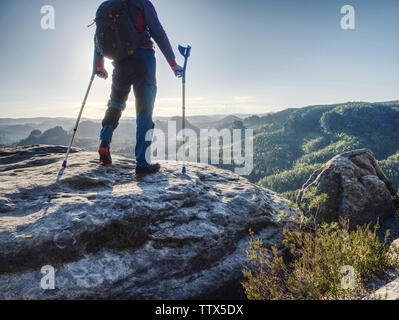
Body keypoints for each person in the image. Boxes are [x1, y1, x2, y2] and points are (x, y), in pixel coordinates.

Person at [94, 0, 183, 177]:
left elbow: (97, 38)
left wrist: (98, 64)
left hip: (119, 62)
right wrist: (172, 63)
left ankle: (104, 144)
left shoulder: (105, 6)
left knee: (116, 103)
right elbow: (157, 30)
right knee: (144, 110)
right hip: (143, 59)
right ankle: (142, 164)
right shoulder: (142, 3)